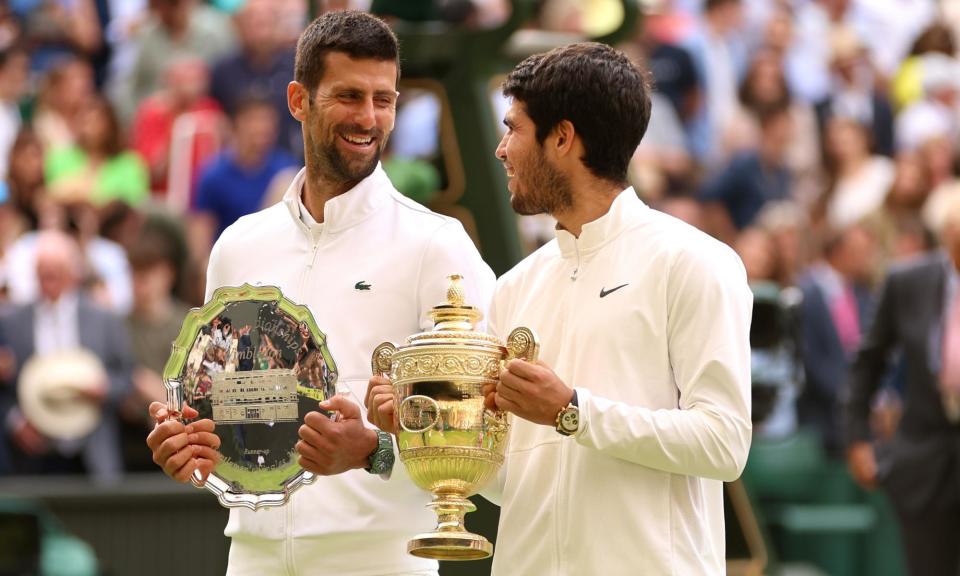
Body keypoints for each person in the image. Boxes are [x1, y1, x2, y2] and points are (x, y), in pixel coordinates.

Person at [369, 42, 754, 575]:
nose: (502, 150)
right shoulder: (515, 286)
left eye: (514, 129)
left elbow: (723, 444)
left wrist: (573, 410)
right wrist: (414, 428)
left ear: (563, 138)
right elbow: (514, 482)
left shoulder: (694, 262)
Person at [145, 11, 495, 576]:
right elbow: (220, 413)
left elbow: (481, 436)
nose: (369, 117)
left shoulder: (438, 245)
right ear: (298, 100)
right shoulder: (238, 245)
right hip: (251, 556)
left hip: (381, 558)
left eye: (384, 99)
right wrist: (187, 447)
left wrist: (371, 452)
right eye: (349, 96)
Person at [844, 194, 960, 576]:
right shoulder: (908, 280)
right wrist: (858, 438)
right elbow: (867, 363)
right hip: (924, 463)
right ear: (946, 233)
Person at [0, 230, 134, 481]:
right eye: (43, 270)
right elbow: (4, 387)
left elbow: (126, 377)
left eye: (57, 269)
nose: (49, 278)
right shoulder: (10, 321)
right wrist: (15, 422)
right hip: (31, 457)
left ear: (74, 271)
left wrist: (105, 388)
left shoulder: (104, 318)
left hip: (91, 454)